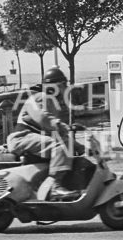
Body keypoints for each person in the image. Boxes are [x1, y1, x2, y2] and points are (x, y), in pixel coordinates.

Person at [5, 67, 85, 200]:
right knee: (61, 147)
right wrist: (58, 124)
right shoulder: (40, 98)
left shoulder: (51, 102)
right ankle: (55, 187)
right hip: (21, 137)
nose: (65, 88)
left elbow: (56, 134)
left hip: (31, 138)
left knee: (64, 146)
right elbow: (42, 117)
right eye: (62, 85)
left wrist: (80, 147)